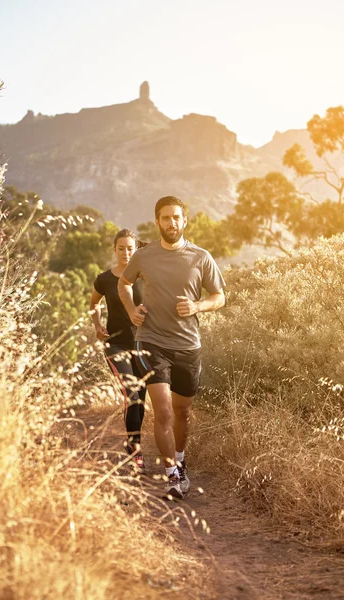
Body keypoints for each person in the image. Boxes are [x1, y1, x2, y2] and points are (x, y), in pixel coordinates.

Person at [118, 196, 225, 499]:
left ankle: (180, 460)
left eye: (176, 217)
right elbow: (123, 283)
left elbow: (220, 296)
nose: (171, 223)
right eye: (166, 218)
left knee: (183, 412)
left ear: (184, 221)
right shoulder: (144, 255)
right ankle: (171, 476)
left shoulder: (200, 257)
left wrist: (197, 306)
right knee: (163, 410)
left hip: (188, 346)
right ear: (157, 222)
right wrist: (130, 310)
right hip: (151, 340)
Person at [90, 229, 147, 474]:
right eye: (121, 248)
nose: (126, 252)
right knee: (132, 394)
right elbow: (94, 304)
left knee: (141, 398)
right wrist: (97, 326)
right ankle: (135, 449)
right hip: (116, 344)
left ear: (136, 250)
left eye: (130, 248)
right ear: (115, 249)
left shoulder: (145, 276)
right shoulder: (104, 279)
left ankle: (132, 441)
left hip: (144, 345)